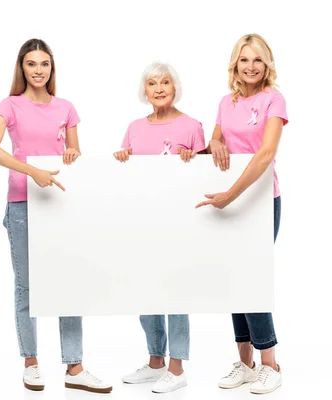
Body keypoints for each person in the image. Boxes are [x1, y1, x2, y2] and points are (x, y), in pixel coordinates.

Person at [0, 38, 112, 394]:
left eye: (44, 64)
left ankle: (75, 366)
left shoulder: (66, 108)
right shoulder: (8, 106)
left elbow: (75, 153)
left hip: (60, 204)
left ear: (51, 68)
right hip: (23, 203)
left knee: (68, 282)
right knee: (27, 285)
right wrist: (30, 170)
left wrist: (71, 156)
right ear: (21, 68)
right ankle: (31, 362)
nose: (38, 70)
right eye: (31, 64)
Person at [195, 33, 289, 395]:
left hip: (261, 199)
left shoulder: (274, 100)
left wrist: (230, 196)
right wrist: (214, 142)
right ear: (235, 65)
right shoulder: (225, 102)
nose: (251, 67)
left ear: (267, 65)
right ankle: (246, 364)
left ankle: (271, 364)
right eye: (244, 60)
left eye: (258, 60)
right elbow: (215, 143)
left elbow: (265, 155)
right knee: (233, 278)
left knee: (252, 278)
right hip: (228, 198)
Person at [114, 61, 206, 394]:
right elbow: (127, 176)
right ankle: (155, 362)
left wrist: (195, 158)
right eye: (152, 83)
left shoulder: (193, 126)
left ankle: (177, 367)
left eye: (165, 82)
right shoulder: (135, 128)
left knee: (176, 290)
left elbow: (207, 172)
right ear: (145, 91)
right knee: (146, 287)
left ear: (175, 87)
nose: (159, 88)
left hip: (180, 222)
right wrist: (120, 158)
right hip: (143, 223)